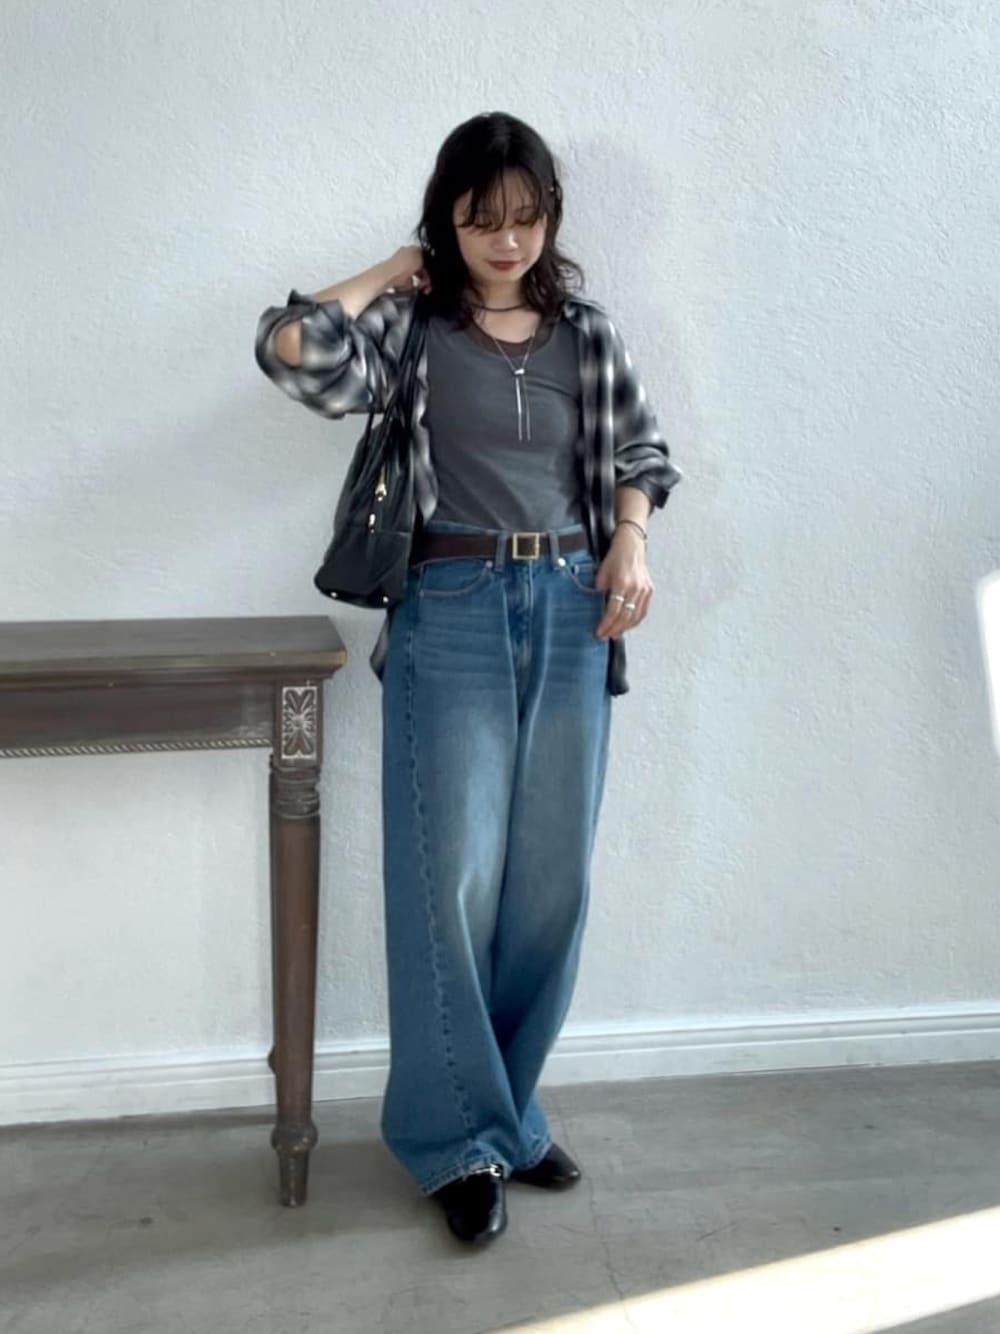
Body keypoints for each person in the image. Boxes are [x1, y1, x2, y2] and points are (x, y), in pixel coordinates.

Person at [254, 111, 682, 1247]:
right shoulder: (413, 328)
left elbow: (642, 451)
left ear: (551, 218)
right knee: (449, 881)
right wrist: (388, 270)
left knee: (549, 886)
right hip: (449, 607)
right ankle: (454, 1141)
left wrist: (630, 539)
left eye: (525, 217)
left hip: (574, 607)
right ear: (447, 219)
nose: (506, 239)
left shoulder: (586, 334)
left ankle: (510, 1116)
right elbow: (292, 351)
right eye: (481, 218)